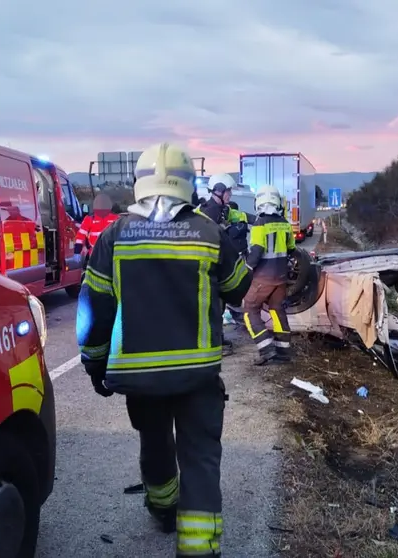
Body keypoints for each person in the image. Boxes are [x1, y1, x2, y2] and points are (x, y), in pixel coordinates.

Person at [76, 142, 252, 557]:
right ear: (189, 185)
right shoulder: (209, 231)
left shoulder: (114, 234)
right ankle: (198, 548)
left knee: (154, 441)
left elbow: (93, 309)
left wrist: (95, 364)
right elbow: (239, 288)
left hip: (140, 376)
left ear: (140, 184)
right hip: (198, 376)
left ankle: (162, 508)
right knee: (200, 457)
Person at [241, 184, 295, 365]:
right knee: (277, 310)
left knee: (249, 309)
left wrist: (246, 268)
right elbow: (292, 249)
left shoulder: (259, 223)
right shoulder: (285, 224)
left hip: (263, 277)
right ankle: (284, 352)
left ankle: (266, 348)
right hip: (281, 278)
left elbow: (257, 249)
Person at [74, 192, 119, 260]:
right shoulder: (89, 219)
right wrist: (77, 251)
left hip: (111, 254)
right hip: (95, 254)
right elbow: (80, 236)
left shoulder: (116, 218)